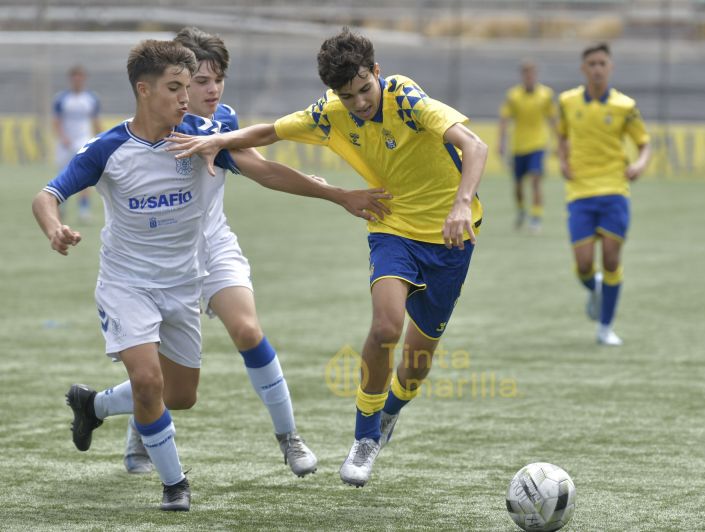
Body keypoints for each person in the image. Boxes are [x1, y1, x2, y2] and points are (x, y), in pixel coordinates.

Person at [32, 39, 389, 511]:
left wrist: (339, 194)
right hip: (127, 282)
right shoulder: (109, 148)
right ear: (145, 91)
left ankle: (95, 406)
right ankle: (175, 486)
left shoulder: (204, 135)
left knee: (183, 392)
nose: (191, 96)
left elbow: (262, 171)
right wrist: (55, 228)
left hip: (190, 272)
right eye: (179, 87)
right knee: (147, 381)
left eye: (196, 84)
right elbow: (46, 194)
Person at [167, 27, 487, 487]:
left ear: (376, 73)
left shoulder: (406, 99)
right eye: (347, 94)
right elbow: (271, 133)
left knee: (415, 365)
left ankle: (391, 410)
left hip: (451, 237)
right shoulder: (331, 113)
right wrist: (223, 140)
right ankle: (365, 438)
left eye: (364, 89)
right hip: (391, 226)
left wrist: (461, 204)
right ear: (333, 92)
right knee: (385, 327)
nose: (359, 102)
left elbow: (475, 146)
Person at [117, 26, 320, 479]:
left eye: (216, 79)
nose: (209, 90)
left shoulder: (223, 119)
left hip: (214, 245)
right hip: (166, 259)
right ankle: (133, 419)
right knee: (169, 383)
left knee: (248, 330)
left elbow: (260, 168)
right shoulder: (160, 124)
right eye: (199, 81)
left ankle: (289, 438)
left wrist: (328, 190)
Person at [556, 43, 651, 346]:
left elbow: (644, 144)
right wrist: (562, 160)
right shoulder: (567, 102)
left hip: (614, 191)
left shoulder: (625, 106)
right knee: (584, 265)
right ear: (584, 69)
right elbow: (561, 136)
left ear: (610, 67)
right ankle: (595, 287)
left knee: (611, 260)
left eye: (602, 63)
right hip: (580, 192)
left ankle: (605, 328)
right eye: (592, 63)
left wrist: (639, 164)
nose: (597, 68)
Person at [498, 61, 556, 232]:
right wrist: (501, 143)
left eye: (532, 74)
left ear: (536, 75)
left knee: (536, 179)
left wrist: (558, 142)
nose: (529, 77)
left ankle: (536, 217)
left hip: (538, 144)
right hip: (518, 146)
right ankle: (522, 210)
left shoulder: (546, 95)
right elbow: (504, 120)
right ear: (522, 76)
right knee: (518, 185)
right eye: (526, 74)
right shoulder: (513, 95)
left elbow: (553, 119)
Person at [53, 65, 103, 222]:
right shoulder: (61, 98)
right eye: (74, 77)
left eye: (80, 77)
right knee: (63, 175)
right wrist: (62, 137)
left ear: (84, 79)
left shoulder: (92, 98)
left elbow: (96, 121)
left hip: (84, 141)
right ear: (70, 79)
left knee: (85, 175)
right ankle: (61, 207)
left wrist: (99, 139)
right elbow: (56, 121)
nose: (77, 80)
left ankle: (84, 209)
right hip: (65, 144)